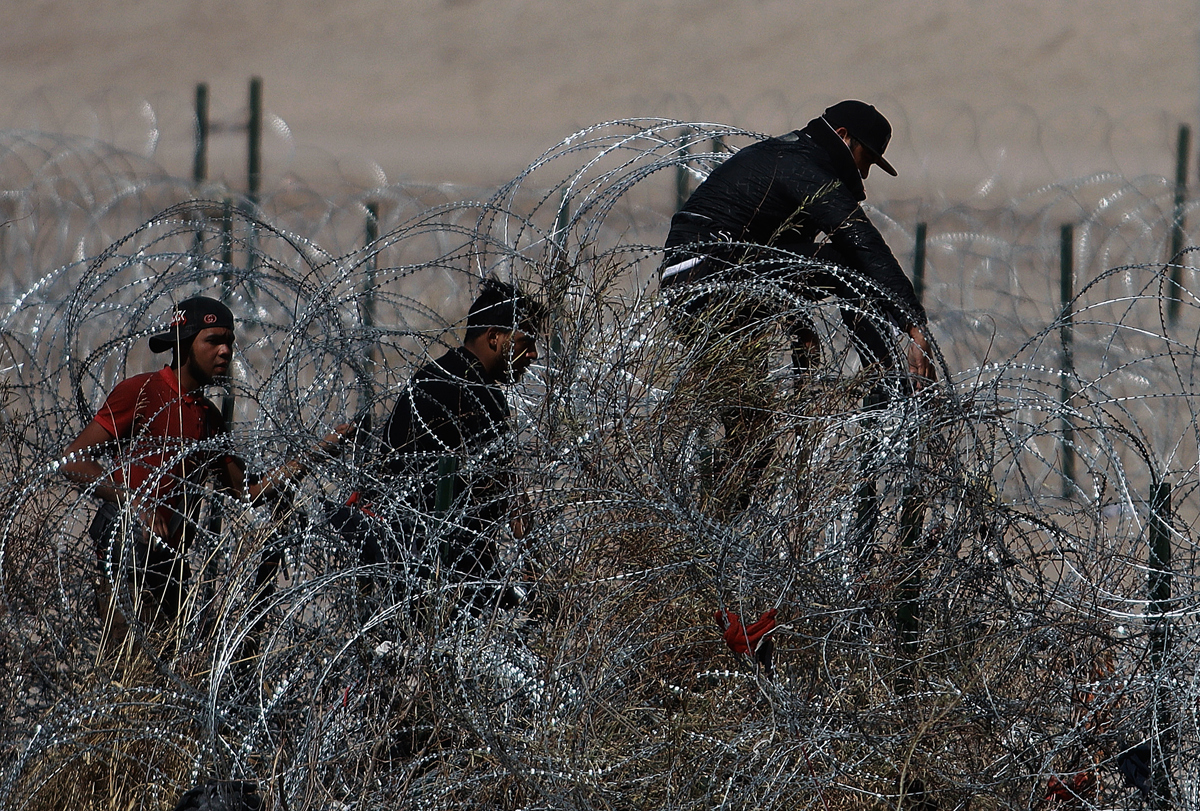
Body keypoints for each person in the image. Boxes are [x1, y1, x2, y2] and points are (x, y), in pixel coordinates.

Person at [62, 295, 350, 638]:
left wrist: (317, 451)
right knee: (130, 675)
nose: (225, 351)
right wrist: (135, 504)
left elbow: (248, 492)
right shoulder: (142, 393)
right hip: (127, 559)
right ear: (183, 344)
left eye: (228, 342)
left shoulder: (207, 417)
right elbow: (73, 461)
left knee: (163, 677)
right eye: (213, 341)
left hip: (171, 567)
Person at [661, 99, 935, 384]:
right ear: (842, 135)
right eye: (865, 158)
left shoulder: (788, 156)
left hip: (696, 284)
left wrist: (799, 327)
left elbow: (783, 259)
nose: (864, 173)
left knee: (749, 412)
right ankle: (884, 383)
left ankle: (883, 390)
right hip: (710, 275)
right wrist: (914, 325)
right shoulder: (801, 166)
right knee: (846, 264)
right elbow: (861, 242)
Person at [373, 277, 546, 614]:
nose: (535, 354)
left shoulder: (430, 376)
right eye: (527, 341)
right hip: (441, 575)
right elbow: (504, 490)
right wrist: (532, 564)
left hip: (401, 562)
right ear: (495, 337)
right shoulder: (480, 395)